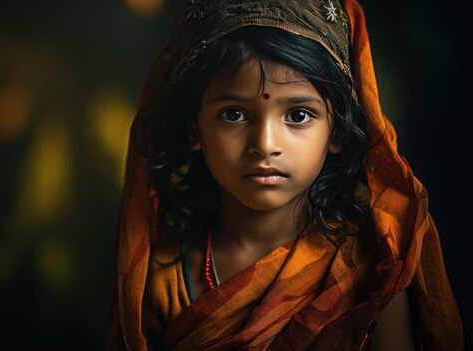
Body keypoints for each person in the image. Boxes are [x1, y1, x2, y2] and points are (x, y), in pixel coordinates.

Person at [106, 0, 463, 350]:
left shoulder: (373, 269)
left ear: (337, 131)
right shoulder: (163, 276)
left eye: (298, 115)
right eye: (233, 114)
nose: (264, 144)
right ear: (193, 129)